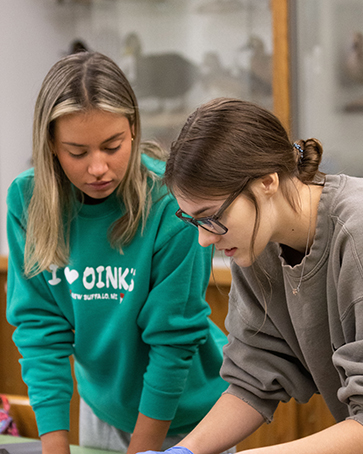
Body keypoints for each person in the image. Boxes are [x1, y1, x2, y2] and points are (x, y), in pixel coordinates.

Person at [6, 52, 229, 454]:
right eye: (77, 152)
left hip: (188, 418)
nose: (98, 168)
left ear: (133, 129)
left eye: (113, 146)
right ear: (51, 146)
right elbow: (40, 331)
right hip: (103, 411)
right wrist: (54, 446)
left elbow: (174, 340)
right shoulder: (27, 200)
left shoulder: (172, 202)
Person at [140, 98, 363, 454]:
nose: (204, 238)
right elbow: (252, 378)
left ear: (267, 182)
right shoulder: (258, 244)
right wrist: (187, 450)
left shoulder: (356, 233)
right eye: (192, 220)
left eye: (210, 216)